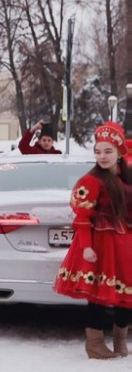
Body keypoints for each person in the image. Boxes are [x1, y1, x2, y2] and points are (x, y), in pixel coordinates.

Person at [53, 122, 130, 359]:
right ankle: (94, 343)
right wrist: (86, 247)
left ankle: (119, 339)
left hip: (124, 244)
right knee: (97, 295)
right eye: (98, 151)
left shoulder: (126, 176)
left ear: (119, 152)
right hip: (100, 244)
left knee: (125, 295)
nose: (102, 156)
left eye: (108, 151)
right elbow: (83, 218)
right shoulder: (92, 181)